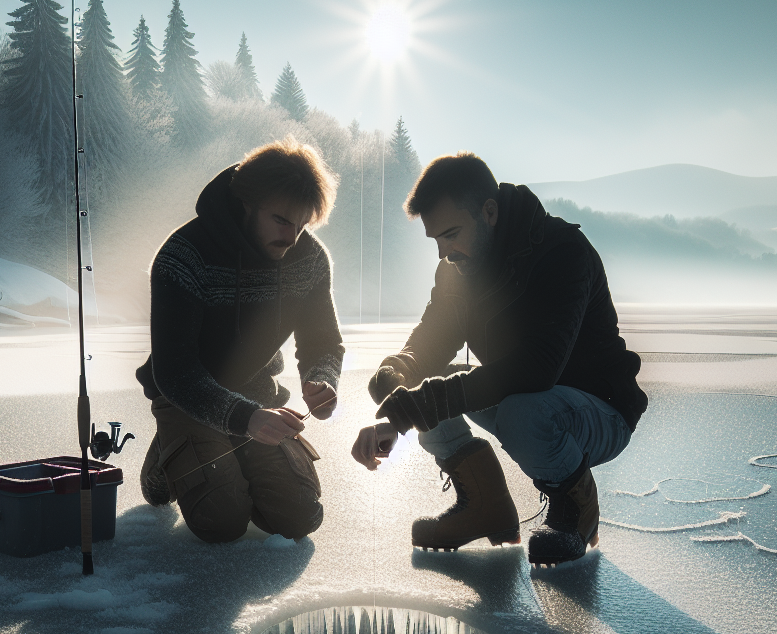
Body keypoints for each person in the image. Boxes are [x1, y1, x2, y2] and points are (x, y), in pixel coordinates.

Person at [351, 152, 648, 567]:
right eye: (436, 240)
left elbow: (537, 368)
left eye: (451, 234)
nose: (443, 253)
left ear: (489, 212)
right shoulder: (458, 269)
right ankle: (484, 506)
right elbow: (431, 342)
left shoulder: (561, 252)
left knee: (522, 412)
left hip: (601, 411)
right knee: (434, 387)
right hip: (524, 400)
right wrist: (396, 373)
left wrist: (411, 409)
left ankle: (575, 508)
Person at [137, 137, 344, 543]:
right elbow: (176, 371)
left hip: (257, 394)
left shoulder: (310, 259)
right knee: (222, 521)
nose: (292, 237)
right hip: (185, 396)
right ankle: (168, 449)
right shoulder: (183, 257)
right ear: (247, 203)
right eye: (281, 220)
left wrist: (322, 379)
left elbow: (324, 342)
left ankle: (222, 448)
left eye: (302, 225)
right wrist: (245, 418)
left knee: (300, 517)